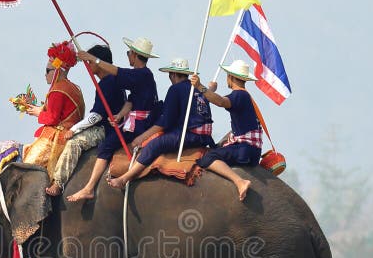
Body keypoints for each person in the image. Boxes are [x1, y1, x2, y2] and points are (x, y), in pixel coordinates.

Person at [66, 36, 159, 202]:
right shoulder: (139, 76)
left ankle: (89, 188)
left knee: (107, 145)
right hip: (131, 120)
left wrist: (94, 59)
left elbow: (118, 72)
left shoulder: (142, 74)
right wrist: (119, 116)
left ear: (135, 55)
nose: (127, 56)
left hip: (140, 125)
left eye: (129, 53)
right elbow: (131, 101)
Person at [108, 58, 214, 189]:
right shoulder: (200, 90)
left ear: (173, 74)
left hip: (190, 135)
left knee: (154, 145)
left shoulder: (175, 89)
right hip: (206, 137)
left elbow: (165, 121)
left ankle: (124, 178)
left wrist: (142, 137)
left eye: (170, 75)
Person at [45, 43, 127, 196]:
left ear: (99, 62)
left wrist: (74, 129)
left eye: (90, 62)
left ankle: (58, 183)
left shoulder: (107, 83)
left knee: (74, 143)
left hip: (104, 129)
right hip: (108, 125)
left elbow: (97, 115)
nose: (88, 66)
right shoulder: (113, 81)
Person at [189, 59, 264, 201]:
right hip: (252, 149)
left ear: (231, 76)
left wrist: (200, 87)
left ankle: (239, 181)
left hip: (244, 149)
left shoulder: (239, 95)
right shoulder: (245, 96)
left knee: (208, 158)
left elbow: (221, 101)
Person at [22, 41, 85, 178]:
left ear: (56, 69)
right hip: (74, 132)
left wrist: (39, 113)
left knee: (28, 166)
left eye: (47, 71)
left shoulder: (58, 90)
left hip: (59, 136)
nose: (45, 75)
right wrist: (40, 109)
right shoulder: (74, 88)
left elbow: (53, 118)